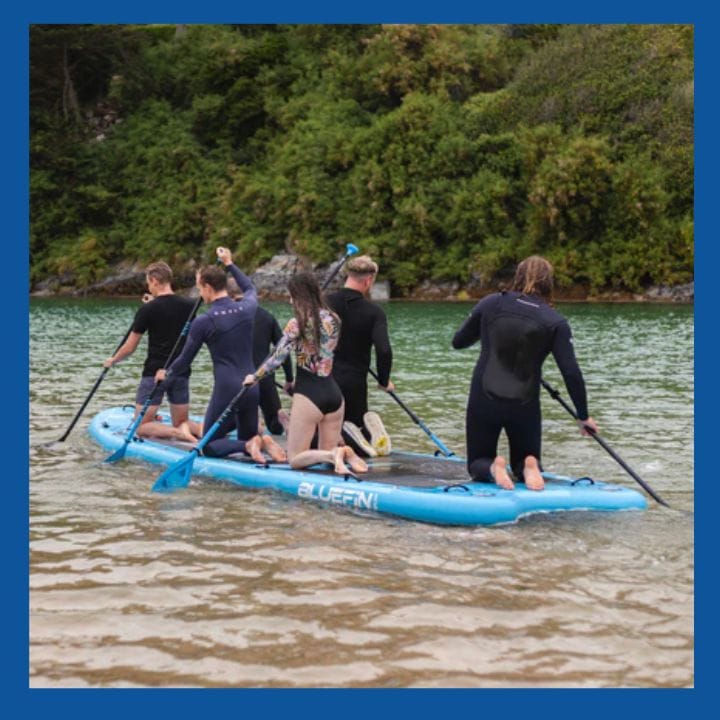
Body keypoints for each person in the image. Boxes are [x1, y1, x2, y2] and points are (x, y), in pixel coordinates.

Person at [451, 255, 598, 491]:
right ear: (549, 283)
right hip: (525, 403)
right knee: (524, 457)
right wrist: (583, 416)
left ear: (517, 277)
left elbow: (458, 341)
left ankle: (493, 468)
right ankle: (530, 465)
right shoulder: (555, 321)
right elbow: (570, 371)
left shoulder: (491, 304)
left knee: (478, 461)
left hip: (485, 397)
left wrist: (486, 329)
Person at [156, 248, 285, 464]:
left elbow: (184, 361)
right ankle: (257, 442)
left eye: (199, 287)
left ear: (207, 286)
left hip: (227, 389)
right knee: (245, 441)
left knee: (207, 446)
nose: (200, 293)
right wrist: (230, 263)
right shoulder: (246, 307)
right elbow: (250, 287)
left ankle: (249, 444)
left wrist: (165, 376)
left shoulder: (204, 322)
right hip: (252, 385)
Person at [244, 272, 368, 475]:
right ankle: (339, 452)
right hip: (334, 395)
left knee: (295, 459)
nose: (290, 299)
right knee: (325, 457)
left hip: (310, 395)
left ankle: (333, 455)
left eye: (291, 295)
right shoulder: (334, 318)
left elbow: (278, 357)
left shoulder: (297, 323)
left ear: (298, 295)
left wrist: (254, 377)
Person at [103, 261, 201, 443]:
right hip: (181, 371)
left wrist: (113, 360)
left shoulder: (147, 310)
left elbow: (130, 347)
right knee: (182, 421)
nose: (149, 287)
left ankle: (179, 434)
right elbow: (171, 314)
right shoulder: (190, 305)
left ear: (155, 281)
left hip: (155, 373)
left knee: (141, 426)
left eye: (149, 283)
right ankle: (200, 432)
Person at [325, 255, 394, 458]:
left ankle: (345, 442)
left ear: (348, 275)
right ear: (368, 280)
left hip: (325, 379)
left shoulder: (325, 302)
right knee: (355, 424)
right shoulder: (374, 312)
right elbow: (384, 351)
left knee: (324, 432)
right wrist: (383, 380)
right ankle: (365, 435)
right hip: (355, 381)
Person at [227, 277, 292, 436]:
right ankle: (287, 420)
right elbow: (283, 350)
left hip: (238, 378)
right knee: (276, 427)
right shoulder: (267, 316)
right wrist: (289, 379)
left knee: (235, 424)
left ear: (228, 294)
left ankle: (252, 427)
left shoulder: (225, 315)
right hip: (265, 378)